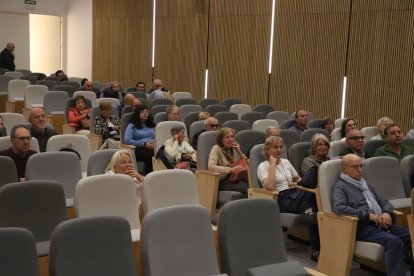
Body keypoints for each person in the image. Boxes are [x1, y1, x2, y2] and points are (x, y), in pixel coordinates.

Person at [333, 154, 414, 276]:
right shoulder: (341, 186)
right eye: (355, 167)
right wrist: (367, 215)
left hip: (381, 223)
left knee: (411, 235)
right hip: (362, 226)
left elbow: (384, 202)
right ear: (344, 168)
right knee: (394, 241)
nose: (360, 169)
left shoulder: (365, 183)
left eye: (361, 166)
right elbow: (338, 207)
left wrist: (386, 212)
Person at [257, 135, 320, 261]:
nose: (279, 150)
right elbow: (270, 187)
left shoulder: (286, 162)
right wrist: (272, 165)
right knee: (313, 172)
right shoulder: (263, 166)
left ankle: (317, 250)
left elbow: (300, 181)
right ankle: (317, 249)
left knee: (314, 212)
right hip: (282, 198)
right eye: (275, 147)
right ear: (267, 150)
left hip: (297, 195)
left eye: (281, 147)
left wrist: (297, 184)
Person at [208, 127, 248, 196]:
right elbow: (211, 167)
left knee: (251, 183)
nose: (231, 139)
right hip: (221, 179)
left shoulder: (234, 149)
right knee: (244, 187)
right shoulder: (216, 148)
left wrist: (239, 151)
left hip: (235, 177)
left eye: (232, 137)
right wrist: (230, 170)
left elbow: (247, 163)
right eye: (227, 137)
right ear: (221, 140)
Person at [124, 104, 155, 175]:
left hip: (153, 147)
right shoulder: (132, 126)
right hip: (138, 149)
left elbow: (155, 137)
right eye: (142, 112)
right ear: (137, 114)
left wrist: (155, 144)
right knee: (151, 155)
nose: (145, 113)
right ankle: (148, 176)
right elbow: (127, 140)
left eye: (146, 112)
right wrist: (144, 144)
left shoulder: (151, 125)